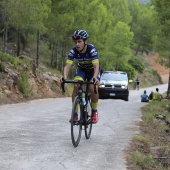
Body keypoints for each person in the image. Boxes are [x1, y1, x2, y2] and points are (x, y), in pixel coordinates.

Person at [61, 30, 100, 124]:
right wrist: (64, 76)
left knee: (92, 87)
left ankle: (94, 111)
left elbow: (96, 66)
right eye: (75, 42)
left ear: (85, 41)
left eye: (79, 42)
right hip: (82, 70)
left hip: (92, 71)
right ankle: (75, 113)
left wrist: (94, 77)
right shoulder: (73, 51)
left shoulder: (91, 49)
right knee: (76, 85)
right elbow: (67, 66)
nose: (77, 44)